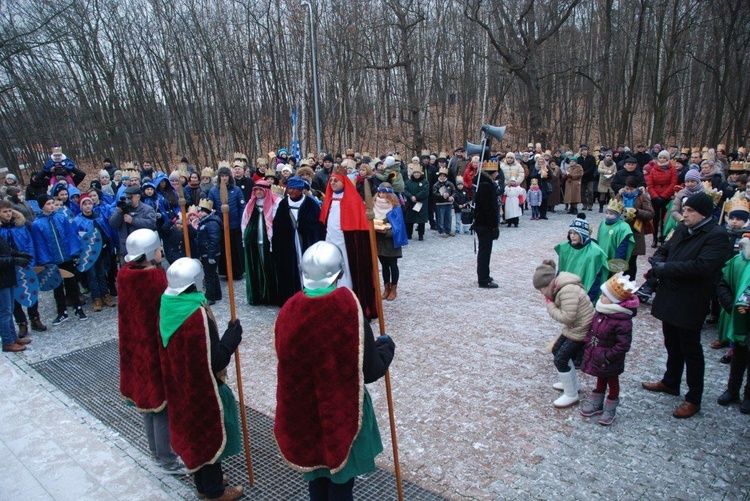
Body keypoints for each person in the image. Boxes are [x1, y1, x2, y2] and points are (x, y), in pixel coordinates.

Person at [274, 241, 395, 500]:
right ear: (339, 274)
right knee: (340, 480)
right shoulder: (347, 309)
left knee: (316, 472)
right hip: (341, 409)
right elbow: (371, 370)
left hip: (303, 411)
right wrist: (385, 349)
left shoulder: (288, 310)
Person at [158, 258, 244, 501]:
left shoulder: (168, 304)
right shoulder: (195, 314)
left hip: (179, 383)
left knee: (193, 434)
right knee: (208, 433)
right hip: (201, 385)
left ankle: (205, 482)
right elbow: (215, 360)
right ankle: (214, 491)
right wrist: (232, 336)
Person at [642, 192, 732, 418]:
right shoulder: (683, 227)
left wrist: (665, 268)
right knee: (671, 342)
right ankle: (671, 381)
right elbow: (665, 247)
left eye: (690, 211)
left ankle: (694, 398)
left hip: (691, 299)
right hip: (670, 295)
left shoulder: (717, 235)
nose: (685, 214)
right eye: (684, 209)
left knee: (691, 349)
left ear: (703, 213)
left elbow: (702, 267)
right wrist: (659, 262)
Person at [117, 229, 184, 473]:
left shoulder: (124, 274)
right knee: (161, 404)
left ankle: (156, 452)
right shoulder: (154, 279)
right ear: (147, 252)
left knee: (147, 401)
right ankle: (166, 459)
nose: (161, 252)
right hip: (153, 348)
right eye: (157, 249)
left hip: (134, 347)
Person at [533, 259, 594, 408]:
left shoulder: (567, 290)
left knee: (561, 359)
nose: (541, 293)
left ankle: (571, 395)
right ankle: (572, 383)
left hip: (581, 328)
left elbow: (567, 317)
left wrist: (550, 305)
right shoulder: (560, 287)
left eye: (540, 290)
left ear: (546, 284)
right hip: (573, 326)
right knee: (556, 349)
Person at [579, 273, 638, 425]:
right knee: (600, 377)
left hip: (610, 358)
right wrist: (588, 343)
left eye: (605, 295)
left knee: (612, 380)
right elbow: (591, 330)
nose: (601, 297)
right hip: (598, 353)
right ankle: (597, 402)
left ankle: (610, 406)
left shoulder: (622, 320)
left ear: (615, 300)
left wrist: (608, 355)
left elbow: (623, 345)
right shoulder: (601, 310)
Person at [320, 173, 378, 320]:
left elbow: (358, 222)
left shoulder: (352, 199)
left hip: (346, 242)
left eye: (336, 181)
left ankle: (348, 297)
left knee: (347, 269)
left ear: (344, 183)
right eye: (331, 180)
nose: (333, 183)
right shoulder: (330, 200)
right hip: (331, 240)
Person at [31, 194, 86, 325]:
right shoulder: (37, 224)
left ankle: (78, 307)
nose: (51, 206)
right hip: (52, 260)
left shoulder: (61, 217)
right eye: (48, 204)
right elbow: (39, 244)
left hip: (66, 256)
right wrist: (44, 261)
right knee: (57, 286)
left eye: (52, 203)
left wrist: (74, 251)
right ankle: (61, 311)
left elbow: (70, 235)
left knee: (72, 283)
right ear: (42, 206)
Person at [272, 176, 322, 306]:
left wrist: (302, 228)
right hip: (287, 245)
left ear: (301, 190)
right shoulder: (283, 204)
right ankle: (290, 298)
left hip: (306, 242)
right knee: (288, 270)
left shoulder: (311, 204)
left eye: (295, 189)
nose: (292, 191)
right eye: (290, 188)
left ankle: (310, 296)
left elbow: (316, 226)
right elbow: (277, 225)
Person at [0, 200, 45, 337]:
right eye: (4, 211)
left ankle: (35, 318)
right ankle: (21, 322)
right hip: (8, 268)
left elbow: (29, 243)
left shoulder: (20, 226)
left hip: (25, 264)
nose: (8, 214)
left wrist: (31, 261)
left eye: (9, 211)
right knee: (15, 297)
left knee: (31, 290)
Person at [716, 234, 750, 414]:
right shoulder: (739, 260)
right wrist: (731, 306)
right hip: (739, 317)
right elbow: (723, 284)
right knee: (739, 355)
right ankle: (732, 390)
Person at [72, 194, 116, 312]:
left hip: (99, 252)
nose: (87, 207)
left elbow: (105, 233)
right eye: (85, 204)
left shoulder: (99, 218)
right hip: (87, 254)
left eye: (89, 204)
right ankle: (96, 298)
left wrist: (105, 243)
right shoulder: (77, 221)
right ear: (81, 206)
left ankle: (105, 295)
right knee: (91, 276)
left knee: (101, 274)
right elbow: (75, 238)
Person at [241, 180, 280, 305]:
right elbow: (245, 221)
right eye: (256, 190)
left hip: (269, 242)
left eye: (260, 190)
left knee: (270, 266)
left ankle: (271, 295)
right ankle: (257, 295)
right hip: (254, 241)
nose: (258, 192)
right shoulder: (250, 204)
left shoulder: (275, 203)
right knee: (255, 266)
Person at [554, 214, 608, 302]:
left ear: (582, 234)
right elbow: (561, 268)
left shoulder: (594, 252)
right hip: (566, 292)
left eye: (576, 233)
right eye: (571, 233)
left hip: (585, 293)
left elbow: (596, 277)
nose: (572, 236)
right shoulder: (565, 248)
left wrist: (590, 298)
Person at [208, 164, 246, 279]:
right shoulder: (214, 191)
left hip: (234, 225)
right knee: (224, 249)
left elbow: (242, 207)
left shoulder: (236, 190)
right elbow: (210, 208)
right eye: (222, 176)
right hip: (221, 225)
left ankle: (238, 271)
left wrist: (241, 221)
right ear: (219, 177)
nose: (224, 178)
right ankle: (225, 271)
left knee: (236, 249)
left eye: (226, 176)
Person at [374, 183, 408, 301]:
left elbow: (398, 226)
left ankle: (393, 289)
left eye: (384, 192)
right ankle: (386, 288)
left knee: (392, 265)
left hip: (391, 240)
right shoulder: (374, 205)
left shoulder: (394, 207)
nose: (381, 195)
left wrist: (386, 232)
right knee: (384, 265)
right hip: (378, 240)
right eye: (380, 192)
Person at [616, 176, 655, 279]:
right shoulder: (619, 196)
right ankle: (618, 282)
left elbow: (650, 214)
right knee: (620, 258)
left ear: (636, 188)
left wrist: (636, 212)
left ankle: (630, 282)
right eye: (627, 188)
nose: (628, 191)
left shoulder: (642, 197)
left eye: (631, 189)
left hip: (635, 232)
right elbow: (612, 209)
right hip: (620, 231)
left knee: (632, 259)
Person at [109, 185, 157, 259]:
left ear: (138, 197)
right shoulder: (121, 209)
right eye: (127, 197)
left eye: (130, 197)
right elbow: (113, 224)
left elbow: (151, 224)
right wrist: (120, 211)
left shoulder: (147, 209)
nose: (128, 199)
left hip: (143, 248)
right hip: (126, 249)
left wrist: (133, 221)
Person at [473, 168, 500, 288]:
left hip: (482, 223)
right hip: (485, 224)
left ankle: (485, 275)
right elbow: (489, 209)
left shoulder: (484, 184)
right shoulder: (486, 186)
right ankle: (483, 279)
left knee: (485, 252)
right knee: (485, 252)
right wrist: (494, 226)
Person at [646, 150, 678, 247]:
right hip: (655, 197)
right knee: (655, 218)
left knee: (665, 218)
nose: (662, 159)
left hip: (666, 197)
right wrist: (655, 196)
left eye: (664, 158)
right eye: (661, 157)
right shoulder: (653, 169)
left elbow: (673, 183)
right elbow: (650, 184)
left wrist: (664, 195)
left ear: (668, 159)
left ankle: (663, 237)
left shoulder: (672, 170)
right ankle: (655, 237)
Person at [594, 199, 635, 274]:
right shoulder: (603, 223)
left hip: (615, 257)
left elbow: (623, 245)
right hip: (603, 255)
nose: (608, 216)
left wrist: (617, 260)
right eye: (607, 213)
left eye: (611, 214)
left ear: (618, 215)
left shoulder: (623, 227)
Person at [195, 199, 223, 304]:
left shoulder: (211, 223)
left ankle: (210, 296)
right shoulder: (205, 222)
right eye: (199, 211)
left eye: (202, 211)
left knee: (209, 275)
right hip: (207, 252)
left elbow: (214, 239)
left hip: (210, 253)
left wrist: (211, 255)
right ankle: (217, 294)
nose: (200, 213)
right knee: (212, 274)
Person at [403, 165, 429, 241]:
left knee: (421, 220)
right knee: (409, 219)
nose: (416, 174)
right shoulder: (408, 182)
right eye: (415, 173)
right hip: (410, 203)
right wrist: (411, 196)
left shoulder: (425, 182)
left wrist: (416, 197)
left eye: (418, 173)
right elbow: (405, 190)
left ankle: (421, 235)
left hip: (421, 203)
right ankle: (409, 234)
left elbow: (425, 191)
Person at [432, 166, 456, 237]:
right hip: (440, 203)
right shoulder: (436, 185)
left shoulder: (450, 184)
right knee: (441, 217)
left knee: (448, 217)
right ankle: (441, 231)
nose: (442, 177)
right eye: (441, 176)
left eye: (443, 176)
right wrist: (442, 195)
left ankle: (448, 230)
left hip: (449, 203)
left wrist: (452, 197)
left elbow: (454, 191)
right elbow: (434, 193)